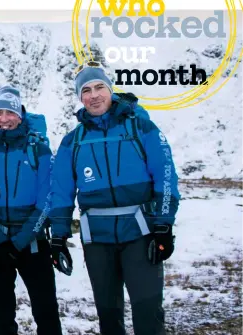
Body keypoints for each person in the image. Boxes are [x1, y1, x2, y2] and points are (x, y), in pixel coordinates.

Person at [49, 64, 180, 335]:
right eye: (86, 90)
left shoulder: (141, 128)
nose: (94, 95)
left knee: (148, 313)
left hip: (141, 233)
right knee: (108, 316)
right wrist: (59, 237)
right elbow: (61, 192)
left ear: (110, 90)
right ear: (80, 97)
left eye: (99, 87)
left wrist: (164, 226)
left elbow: (165, 177)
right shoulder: (72, 141)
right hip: (97, 240)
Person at [0, 85, 64, 335]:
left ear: (20, 115)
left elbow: (47, 200)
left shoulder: (39, 150)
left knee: (46, 310)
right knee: (2, 312)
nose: (3, 119)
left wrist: (20, 240)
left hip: (33, 242)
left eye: (9, 113)